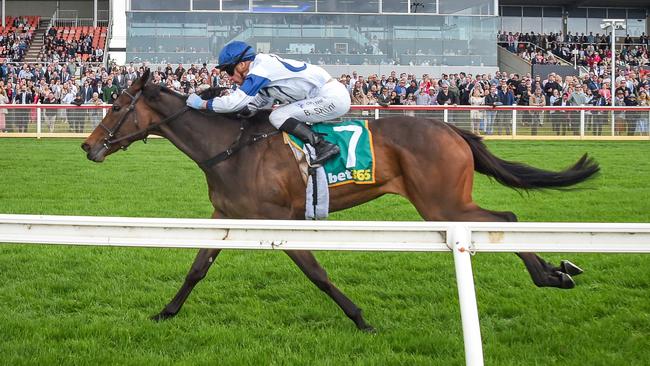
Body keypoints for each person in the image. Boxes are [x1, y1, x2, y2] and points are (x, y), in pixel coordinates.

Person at [185, 41, 347, 166]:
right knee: (278, 114)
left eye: (229, 71)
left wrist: (203, 104)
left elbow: (235, 101)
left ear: (242, 64)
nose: (230, 78)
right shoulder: (262, 68)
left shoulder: (260, 69)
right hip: (321, 96)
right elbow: (262, 100)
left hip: (331, 97)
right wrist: (246, 112)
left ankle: (322, 146)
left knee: (278, 116)